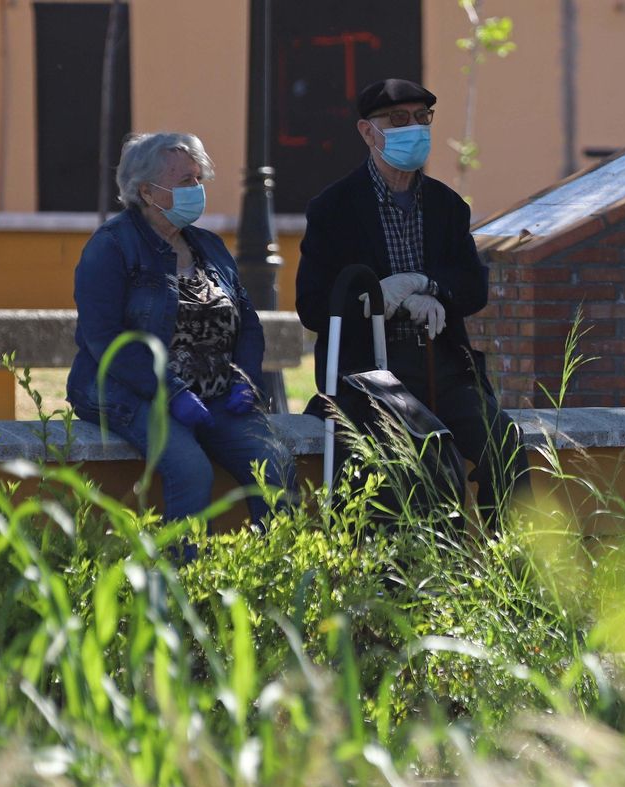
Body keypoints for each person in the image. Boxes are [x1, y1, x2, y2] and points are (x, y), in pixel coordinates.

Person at [296, 77, 529, 530]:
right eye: (398, 120)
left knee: (505, 450)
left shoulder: (446, 206)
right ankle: (425, 583)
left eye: (423, 118)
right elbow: (312, 306)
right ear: (368, 132)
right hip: (372, 372)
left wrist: (428, 285)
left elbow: (472, 287)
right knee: (431, 464)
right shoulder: (333, 208)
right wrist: (381, 297)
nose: (414, 128)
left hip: (442, 365)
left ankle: (517, 576)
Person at [67, 132, 290, 526]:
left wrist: (245, 381)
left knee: (274, 464)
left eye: (198, 178)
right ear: (146, 192)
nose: (197, 189)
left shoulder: (209, 246)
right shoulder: (112, 246)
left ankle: (275, 578)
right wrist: (172, 392)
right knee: (191, 470)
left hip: (213, 392)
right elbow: (105, 339)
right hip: (129, 389)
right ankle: (180, 580)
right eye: (185, 181)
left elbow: (247, 324)